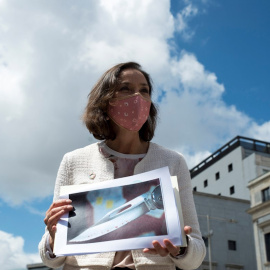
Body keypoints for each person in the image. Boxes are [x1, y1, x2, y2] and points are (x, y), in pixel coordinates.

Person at [39, 62, 206, 270]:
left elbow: (196, 254)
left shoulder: (172, 161)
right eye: (125, 89)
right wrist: (54, 239)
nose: (137, 97)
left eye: (144, 91)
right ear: (105, 101)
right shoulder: (74, 161)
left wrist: (181, 248)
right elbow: (50, 258)